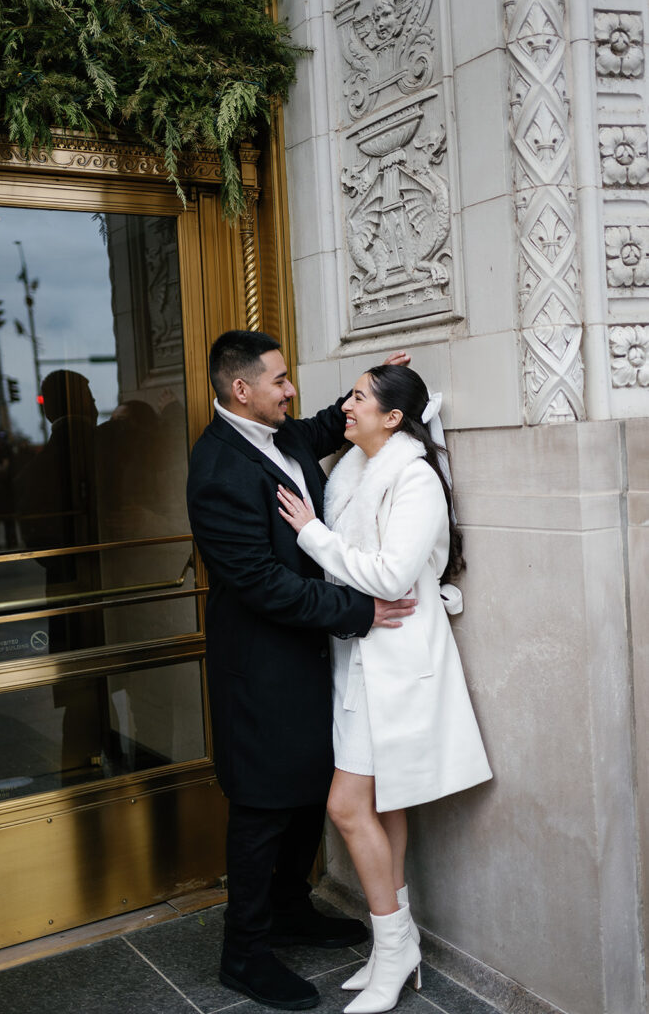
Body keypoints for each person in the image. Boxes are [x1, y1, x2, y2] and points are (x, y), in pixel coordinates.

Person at [186, 331, 417, 1011]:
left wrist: (368, 389)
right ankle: (244, 952)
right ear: (241, 390)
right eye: (280, 380)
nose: (291, 391)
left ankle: (289, 909)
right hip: (258, 667)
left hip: (305, 657)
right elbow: (259, 583)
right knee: (260, 808)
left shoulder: (277, 431)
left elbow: (317, 426)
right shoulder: (216, 470)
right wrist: (358, 610)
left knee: (302, 793)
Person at [277, 364, 493, 1014]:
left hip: (396, 663)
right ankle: (392, 948)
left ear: (393, 417)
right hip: (356, 660)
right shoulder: (351, 469)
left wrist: (311, 534)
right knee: (384, 804)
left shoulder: (413, 476)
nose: (347, 406)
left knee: (346, 806)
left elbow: (394, 575)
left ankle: (396, 948)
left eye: (360, 397)